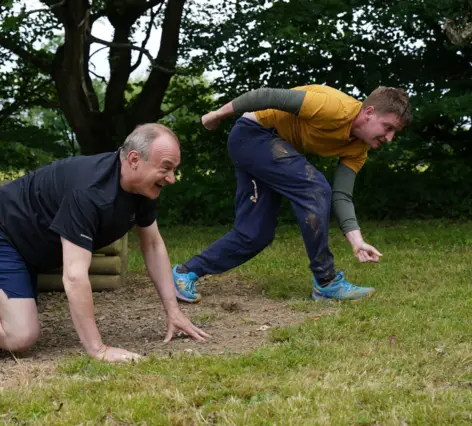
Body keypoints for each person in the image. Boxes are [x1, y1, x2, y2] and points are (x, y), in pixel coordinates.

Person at [0, 123, 210, 362]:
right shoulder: (89, 191)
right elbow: (73, 275)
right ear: (134, 159)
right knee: (20, 336)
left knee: (5, 334)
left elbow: (154, 246)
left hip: (27, 245)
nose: (172, 179)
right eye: (166, 168)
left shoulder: (142, 189)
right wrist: (98, 349)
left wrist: (173, 310)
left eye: (174, 169)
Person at [172, 85, 412, 303]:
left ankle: (185, 273)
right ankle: (326, 281)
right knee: (314, 188)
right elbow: (266, 95)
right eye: (388, 127)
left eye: (395, 132)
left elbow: (341, 196)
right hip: (253, 134)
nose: (390, 138)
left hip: (268, 146)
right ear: (368, 112)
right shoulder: (335, 108)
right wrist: (217, 115)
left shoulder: (358, 148)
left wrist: (357, 241)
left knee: (254, 234)